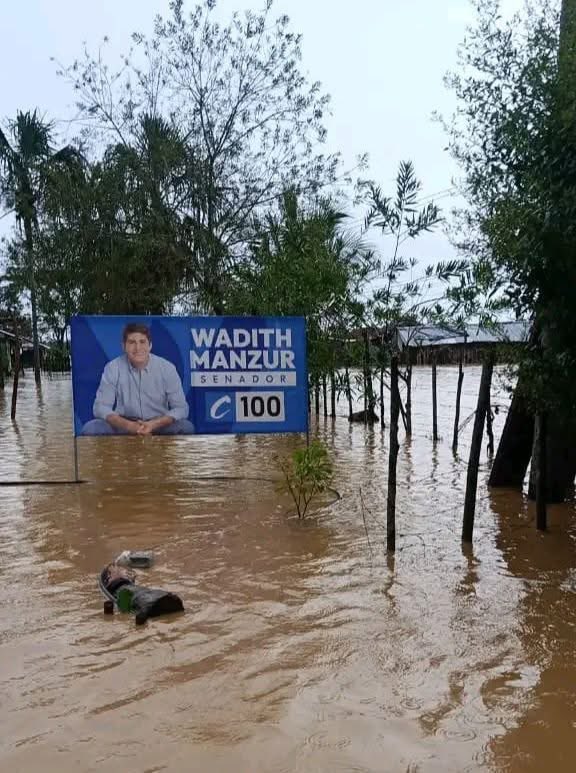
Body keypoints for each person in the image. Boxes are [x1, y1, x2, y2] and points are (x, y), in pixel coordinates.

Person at [81, 322, 195, 436]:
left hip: (158, 424)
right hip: (124, 424)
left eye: (142, 342)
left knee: (185, 427)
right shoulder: (113, 368)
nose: (138, 348)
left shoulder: (167, 368)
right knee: (91, 428)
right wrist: (129, 426)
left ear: (150, 345)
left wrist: (154, 424)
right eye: (132, 342)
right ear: (123, 346)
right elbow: (100, 407)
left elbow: (181, 408)